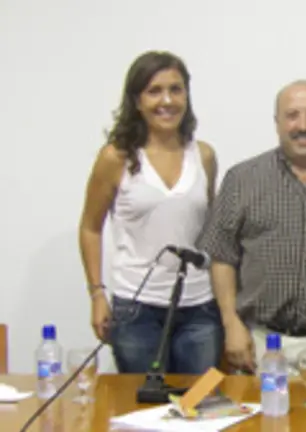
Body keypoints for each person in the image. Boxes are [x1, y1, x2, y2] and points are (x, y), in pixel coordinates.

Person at [196, 80, 306, 376]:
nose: (303, 125)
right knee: (267, 421)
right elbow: (221, 256)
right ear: (277, 123)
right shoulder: (242, 179)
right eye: (292, 115)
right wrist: (230, 323)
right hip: (263, 344)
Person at [77, 51, 223, 374]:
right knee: (142, 411)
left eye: (176, 89)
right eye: (154, 91)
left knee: (196, 409)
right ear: (137, 100)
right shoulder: (116, 157)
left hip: (199, 308)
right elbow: (90, 227)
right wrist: (97, 293)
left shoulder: (204, 156)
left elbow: (210, 231)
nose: (166, 101)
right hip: (136, 309)